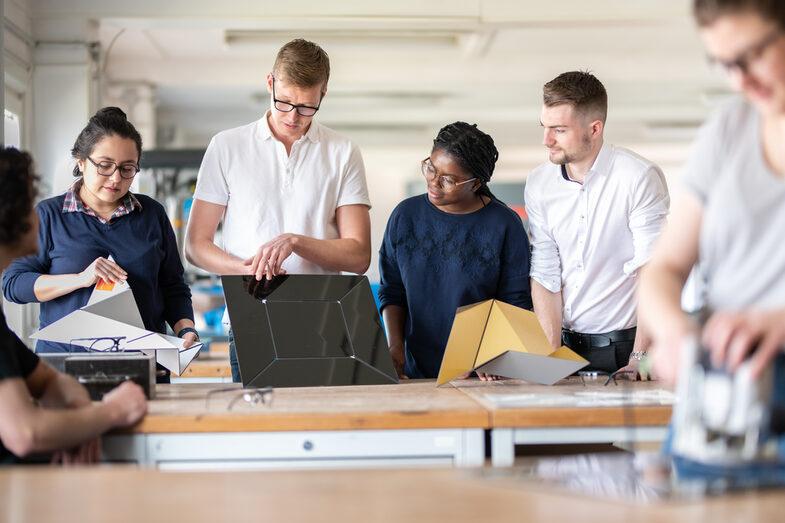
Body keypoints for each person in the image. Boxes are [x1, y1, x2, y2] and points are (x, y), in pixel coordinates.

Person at [185, 39, 372, 382]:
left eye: (306, 107)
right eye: (284, 102)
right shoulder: (227, 146)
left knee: (325, 430)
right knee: (257, 431)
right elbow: (196, 245)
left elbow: (359, 255)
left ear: (323, 95)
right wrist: (249, 268)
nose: (293, 116)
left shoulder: (344, 152)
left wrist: (294, 242)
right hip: (250, 319)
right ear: (270, 83)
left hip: (325, 320)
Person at [639, 0, 785, 387]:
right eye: (725, 64)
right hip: (724, 381)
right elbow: (664, 269)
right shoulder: (728, 130)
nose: (741, 81)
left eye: (753, 55)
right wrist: (675, 332)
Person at [1, 108, 198, 382]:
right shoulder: (47, 215)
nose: (116, 178)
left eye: (128, 168)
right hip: (64, 370)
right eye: (104, 165)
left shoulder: (152, 214)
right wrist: (80, 279)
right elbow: (13, 285)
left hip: (142, 368)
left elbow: (173, 287)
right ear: (81, 162)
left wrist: (186, 330)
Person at [0, 147, 147, 465]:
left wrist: (79, 422)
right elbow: (25, 433)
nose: (38, 213)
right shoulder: (53, 215)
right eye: (29, 204)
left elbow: (46, 380)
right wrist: (113, 411)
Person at [525, 71, 670, 377]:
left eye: (559, 130)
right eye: (545, 127)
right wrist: (550, 355)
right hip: (564, 347)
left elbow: (653, 271)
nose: (546, 140)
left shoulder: (638, 177)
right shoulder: (539, 183)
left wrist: (641, 356)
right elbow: (546, 272)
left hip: (626, 349)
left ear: (594, 128)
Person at [378, 122, 532, 380]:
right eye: (431, 169)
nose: (434, 183)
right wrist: (395, 349)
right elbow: (392, 291)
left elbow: (516, 303)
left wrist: (494, 351)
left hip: (481, 375)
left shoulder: (504, 224)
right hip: (415, 374)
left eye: (448, 179)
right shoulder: (405, 216)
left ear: (475, 183)